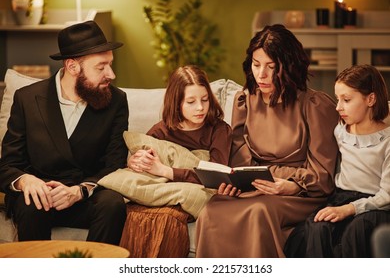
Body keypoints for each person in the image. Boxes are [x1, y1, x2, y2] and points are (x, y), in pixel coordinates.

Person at [195, 24, 339, 258]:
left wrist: (292, 185)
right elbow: (240, 162)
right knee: (212, 210)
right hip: (256, 187)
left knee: (258, 212)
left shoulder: (315, 106)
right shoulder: (245, 100)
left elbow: (323, 177)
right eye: (256, 64)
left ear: (289, 67)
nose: (261, 74)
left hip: (299, 195)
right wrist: (233, 182)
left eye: (271, 67)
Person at [0, 20, 129, 245]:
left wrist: (80, 191)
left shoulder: (116, 101)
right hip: (40, 196)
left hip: (85, 196)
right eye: (101, 67)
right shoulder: (27, 99)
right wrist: (25, 181)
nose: (111, 74)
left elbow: (114, 164)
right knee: (31, 204)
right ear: (72, 67)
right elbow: (8, 164)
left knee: (113, 203)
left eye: (111, 64)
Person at [121, 65, 232, 257]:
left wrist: (166, 171)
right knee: (138, 217)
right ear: (176, 102)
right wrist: (135, 163)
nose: (200, 107)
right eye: (191, 101)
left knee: (166, 220)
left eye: (205, 100)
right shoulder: (160, 132)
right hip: (158, 197)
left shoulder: (218, 130)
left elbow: (216, 176)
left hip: (185, 200)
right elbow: (142, 168)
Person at [301, 64, 390, 257]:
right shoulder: (340, 130)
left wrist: (350, 209)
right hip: (341, 197)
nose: (338, 107)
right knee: (317, 227)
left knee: (357, 231)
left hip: (376, 206)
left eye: (347, 100)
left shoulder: (387, 141)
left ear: (371, 99)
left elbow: (386, 196)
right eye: (338, 99)